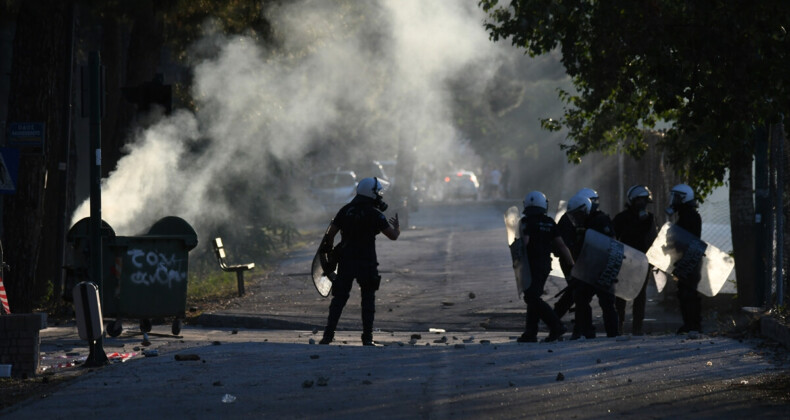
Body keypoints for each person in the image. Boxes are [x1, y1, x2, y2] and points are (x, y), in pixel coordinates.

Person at [318, 177, 400, 346]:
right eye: (378, 193)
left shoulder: (345, 210)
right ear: (372, 194)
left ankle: (327, 336)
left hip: (346, 260)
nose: (380, 196)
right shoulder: (376, 214)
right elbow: (393, 236)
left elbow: (330, 234)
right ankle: (367, 338)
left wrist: (329, 253)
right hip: (366, 261)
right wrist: (397, 228)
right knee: (368, 299)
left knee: (339, 299)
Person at [517, 191, 575, 343]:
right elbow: (561, 245)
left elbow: (525, 242)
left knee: (531, 297)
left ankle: (556, 325)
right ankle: (530, 333)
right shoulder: (549, 222)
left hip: (531, 265)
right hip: (544, 265)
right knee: (533, 296)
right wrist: (571, 264)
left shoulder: (526, 221)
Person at [568, 192, 620, 339]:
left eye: (577, 215)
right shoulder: (583, 225)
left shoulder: (600, 220)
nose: (575, 219)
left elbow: (611, 243)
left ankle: (613, 333)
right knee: (581, 297)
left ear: (584, 210)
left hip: (603, 268)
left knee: (607, 302)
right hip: (589, 270)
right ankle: (587, 331)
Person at [612, 185, 658, 335]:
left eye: (645, 200)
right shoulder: (621, 218)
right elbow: (613, 240)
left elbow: (653, 240)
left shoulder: (650, 218)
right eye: (641, 200)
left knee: (640, 295)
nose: (644, 203)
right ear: (634, 200)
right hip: (625, 261)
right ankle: (618, 326)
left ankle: (637, 328)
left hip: (643, 262)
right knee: (621, 294)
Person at [665, 183, 703, 334]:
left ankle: (693, 324)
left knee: (689, 293)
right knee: (684, 292)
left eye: (676, 197)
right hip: (686, 260)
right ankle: (689, 323)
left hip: (690, 261)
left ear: (683, 198)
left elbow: (685, 239)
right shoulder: (686, 215)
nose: (673, 200)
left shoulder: (690, 216)